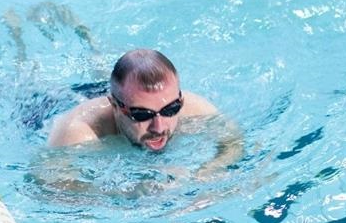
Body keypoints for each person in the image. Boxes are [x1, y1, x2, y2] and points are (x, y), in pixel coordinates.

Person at [48, 49, 239, 163]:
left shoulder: (194, 108)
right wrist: (127, 194)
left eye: (170, 110)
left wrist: (204, 175)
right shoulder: (77, 133)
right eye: (142, 114)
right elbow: (51, 189)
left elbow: (234, 143)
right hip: (58, 104)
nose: (159, 127)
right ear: (114, 106)